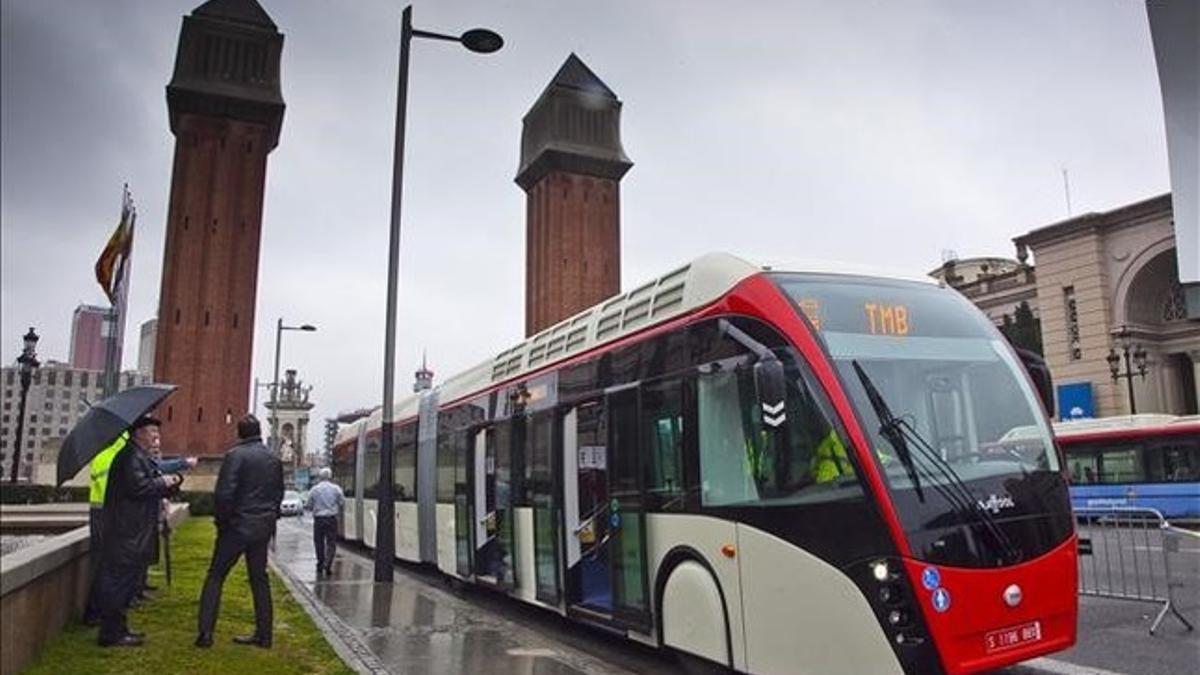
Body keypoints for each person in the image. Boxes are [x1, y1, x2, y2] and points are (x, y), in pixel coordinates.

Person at [196, 414, 283, 649]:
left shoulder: (235, 455)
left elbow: (224, 494)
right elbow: (278, 494)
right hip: (262, 527)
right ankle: (264, 635)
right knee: (259, 580)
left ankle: (205, 633)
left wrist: (222, 523)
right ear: (259, 431)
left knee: (215, 576)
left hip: (236, 527)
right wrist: (269, 518)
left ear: (239, 433)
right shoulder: (273, 458)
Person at [94, 417, 183, 647]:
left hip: (130, 529)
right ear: (137, 434)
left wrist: (168, 484)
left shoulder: (135, 455)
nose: (153, 436)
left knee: (124, 582)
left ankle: (119, 629)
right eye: (149, 431)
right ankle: (111, 633)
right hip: (126, 531)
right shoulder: (131, 457)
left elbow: (146, 485)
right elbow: (139, 487)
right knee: (119, 583)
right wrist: (163, 482)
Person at [83, 431, 129, 625]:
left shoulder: (104, 452)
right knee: (105, 565)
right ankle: (96, 612)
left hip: (100, 510)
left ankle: (98, 611)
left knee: (103, 565)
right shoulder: (116, 453)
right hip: (106, 512)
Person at [306, 467, 344, 577]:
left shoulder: (314, 489)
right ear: (330, 477)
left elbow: (308, 504)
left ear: (320, 477)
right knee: (331, 543)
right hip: (331, 518)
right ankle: (328, 563)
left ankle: (320, 563)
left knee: (319, 543)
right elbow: (342, 502)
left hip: (319, 519)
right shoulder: (336, 489)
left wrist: (315, 508)